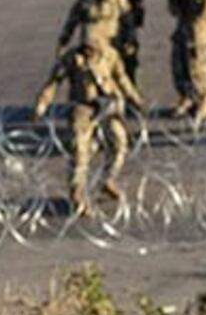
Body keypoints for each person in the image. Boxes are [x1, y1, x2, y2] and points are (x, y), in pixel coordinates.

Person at [32, 33, 136, 216]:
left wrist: (135, 98)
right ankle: (77, 194)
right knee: (80, 151)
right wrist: (41, 104)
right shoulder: (72, 58)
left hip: (108, 106)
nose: (88, 53)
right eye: (86, 48)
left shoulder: (110, 55)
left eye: (92, 50)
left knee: (119, 142)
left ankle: (108, 179)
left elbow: (121, 78)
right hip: (83, 108)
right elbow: (54, 82)